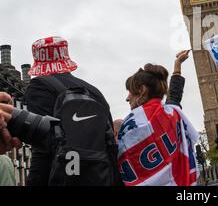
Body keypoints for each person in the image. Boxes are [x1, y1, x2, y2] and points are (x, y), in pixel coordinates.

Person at [23, 36, 122, 186]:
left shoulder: (39, 87)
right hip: (101, 177)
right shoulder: (94, 92)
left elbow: (42, 146)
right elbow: (110, 146)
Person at [117, 50, 199, 186]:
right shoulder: (172, 114)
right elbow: (174, 95)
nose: (127, 98)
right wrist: (177, 66)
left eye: (130, 91)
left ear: (142, 90)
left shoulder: (129, 127)